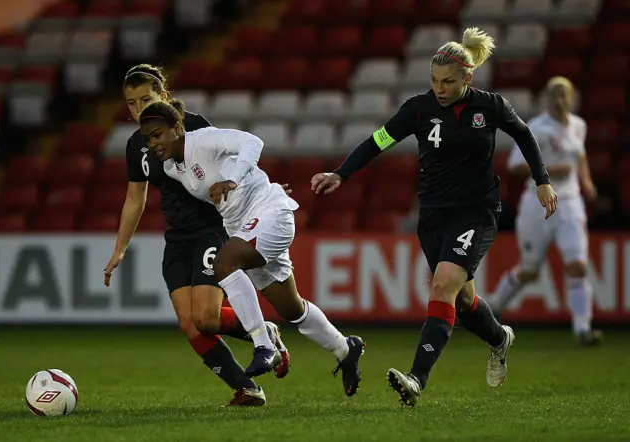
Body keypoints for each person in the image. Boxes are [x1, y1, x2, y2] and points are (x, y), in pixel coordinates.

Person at [311, 27, 558, 407]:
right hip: (434, 214)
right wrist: (340, 173)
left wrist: (542, 181)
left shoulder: (490, 106)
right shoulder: (418, 109)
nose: (440, 88)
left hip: (476, 210)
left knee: (442, 286)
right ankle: (499, 339)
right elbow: (379, 140)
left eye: (448, 82)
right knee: (461, 299)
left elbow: (524, 135)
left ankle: (416, 379)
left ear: (467, 78)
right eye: (434, 80)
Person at [137, 100, 366, 398]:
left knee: (224, 264)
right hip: (245, 228)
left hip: (270, 213)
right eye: (148, 138)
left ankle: (263, 344)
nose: (153, 143)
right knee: (291, 308)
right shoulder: (171, 168)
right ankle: (344, 348)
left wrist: (236, 179)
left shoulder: (202, 140)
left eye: (157, 134)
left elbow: (252, 142)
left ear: (178, 128)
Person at [102, 64, 290, 407]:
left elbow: (233, 161)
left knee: (206, 317)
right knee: (191, 324)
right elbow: (135, 199)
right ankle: (247, 388)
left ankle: (264, 333)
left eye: (146, 99)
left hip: (210, 229)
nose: (139, 108)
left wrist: (260, 197)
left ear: (164, 96)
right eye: (131, 103)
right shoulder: (137, 146)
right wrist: (120, 248)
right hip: (177, 239)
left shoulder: (195, 127)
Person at [491, 76, 602, 346]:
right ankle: (494, 305)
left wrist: (586, 181)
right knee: (529, 270)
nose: (559, 100)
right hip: (538, 203)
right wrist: (548, 172)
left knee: (577, 265)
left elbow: (580, 156)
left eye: (564, 94)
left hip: (570, 202)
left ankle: (582, 329)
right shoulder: (536, 128)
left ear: (573, 98)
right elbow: (516, 165)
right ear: (546, 99)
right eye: (554, 95)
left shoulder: (579, 126)